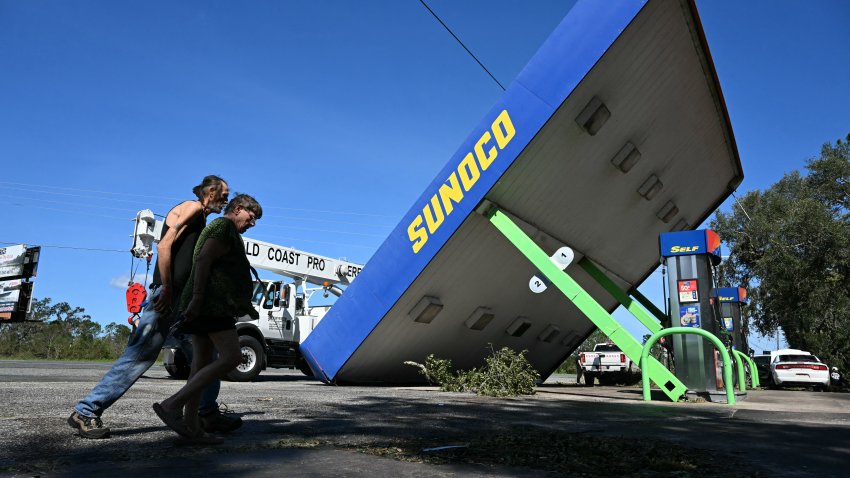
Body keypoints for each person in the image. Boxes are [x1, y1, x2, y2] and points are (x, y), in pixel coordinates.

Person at [68, 175, 239, 439]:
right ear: (211, 191)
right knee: (141, 355)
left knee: (204, 358)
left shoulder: (200, 218)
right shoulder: (192, 208)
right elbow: (164, 245)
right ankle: (86, 411)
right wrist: (167, 288)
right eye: (224, 193)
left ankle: (206, 413)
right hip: (168, 296)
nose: (227, 199)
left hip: (180, 299)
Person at [153, 194, 262, 445]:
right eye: (251, 217)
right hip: (212, 304)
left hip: (205, 304)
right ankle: (172, 404)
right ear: (237, 209)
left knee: (200, 366)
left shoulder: (222, 230)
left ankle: (193, 427)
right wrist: (199, 299)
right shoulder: (223, 226)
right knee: (232, 357)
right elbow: (203, 260)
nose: (252, 223)